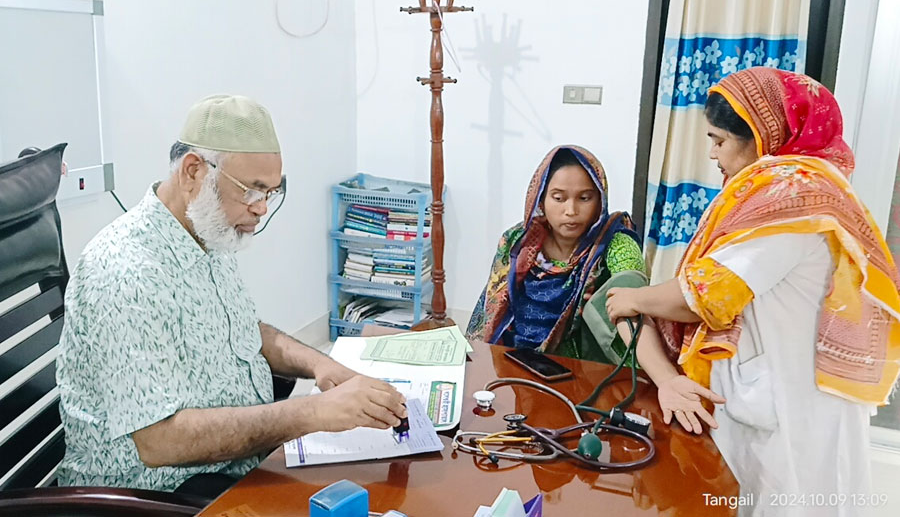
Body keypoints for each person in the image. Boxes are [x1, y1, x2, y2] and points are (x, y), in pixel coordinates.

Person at [56, 95, 407, 495]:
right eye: (253, 191)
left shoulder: (207, 231)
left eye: (272, 192)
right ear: (194, 171)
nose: (261, 209)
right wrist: (310, 412)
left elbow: (244, 330)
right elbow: (159, 442)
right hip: (165, 492)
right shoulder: (125, 272)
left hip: (240, 460)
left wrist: (323, 366)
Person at [605, 67, 900, 514]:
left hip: (794, 401)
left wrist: (632, 299)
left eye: (719, 140)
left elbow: (706, 295)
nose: (712, 153)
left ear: (763, 135)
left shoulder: (792, 196)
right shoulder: (793, 188)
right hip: (777, 387)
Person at [466, 145, 646, 362]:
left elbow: (633, 305)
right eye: (559, 198)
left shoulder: (615, 245)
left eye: (584, 198)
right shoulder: (518, 243)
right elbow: (492, 312)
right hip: (515, 360)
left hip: (586, 370)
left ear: (600, 200)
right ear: (540, 199)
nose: (571, 211)